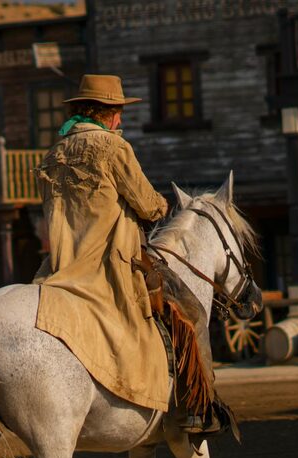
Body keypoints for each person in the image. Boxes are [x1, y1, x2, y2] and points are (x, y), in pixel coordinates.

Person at [34, 75, 230, 437]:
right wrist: (161, 204)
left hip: (60, 264)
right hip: (109, 261)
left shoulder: (53, 154)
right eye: (119, 112)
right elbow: (146, 204)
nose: (121, 120)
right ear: (106, 113)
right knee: (193, 313)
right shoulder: (113, 148)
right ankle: (196, 409)